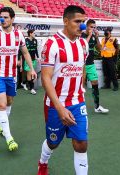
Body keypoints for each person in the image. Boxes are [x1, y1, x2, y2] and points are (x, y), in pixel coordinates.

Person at [37, 5, 89, 175]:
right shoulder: (51, 44)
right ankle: (43, 162)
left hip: (77, 102)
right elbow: (45, 78)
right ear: (66, 21)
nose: (82, 26)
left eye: (84, 22)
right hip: (55, 105)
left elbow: (81, 68)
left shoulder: (83, 44)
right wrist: (60, 108)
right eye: (78, 21)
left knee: (81, 143)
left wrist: (80, 88)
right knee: (53, 143)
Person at [0, 7, 37, 151]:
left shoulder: (19, 35)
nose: (3, 20)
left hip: (12, 76)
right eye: (1, 17)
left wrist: (31, 69)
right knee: (1, 105)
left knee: (9, 102)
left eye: (6, 17)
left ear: (12, 19)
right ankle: (9, 138)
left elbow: (25, 53)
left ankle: (1, 126)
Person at [81, 19, 109, 113]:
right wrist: (89, 34)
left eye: (94, 27)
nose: (93, 29)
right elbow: (83, 46)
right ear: (87, 27)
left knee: (95, 83)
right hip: (81, 65)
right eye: (91, 27)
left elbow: (99, 48)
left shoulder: (93, 36)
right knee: (80, 86)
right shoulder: (81, 35)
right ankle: (78, 106)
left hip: (90, 64)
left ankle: (97, 107)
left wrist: (97, 37)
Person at [100, 26, 120, 91]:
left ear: (110, 32)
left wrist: (114, 57)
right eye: (104, 31)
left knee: (112, 72)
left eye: (107, 31)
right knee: (106, 72)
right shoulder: (103, 39)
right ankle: (107, 85)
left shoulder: (114, 39)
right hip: (104, 58)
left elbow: (117, 48)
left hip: (111, 58)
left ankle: (116, 86)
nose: (105, 32)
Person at [25, 29, 39, 95]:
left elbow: (36, 50)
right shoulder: (25, 41)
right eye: (34, 33)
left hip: (33, 59)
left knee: (32, 74)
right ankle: (32, 88)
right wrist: (20, 59)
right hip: (27, 60)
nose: (35, 34)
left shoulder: (35, 40)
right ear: (30, 33)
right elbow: (22, 51)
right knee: (30, 73)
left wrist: (38, 57)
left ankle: (24, 82)